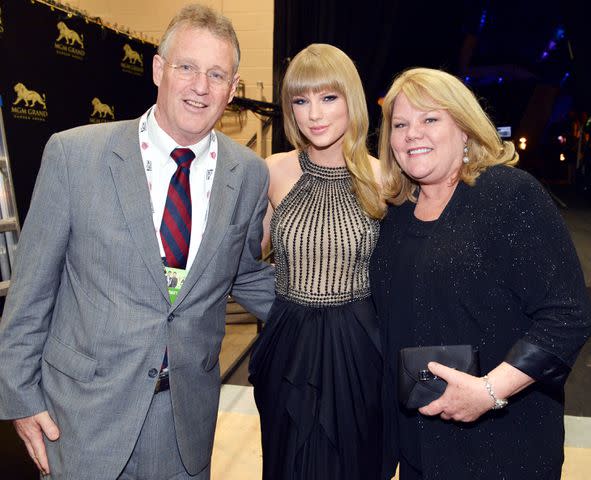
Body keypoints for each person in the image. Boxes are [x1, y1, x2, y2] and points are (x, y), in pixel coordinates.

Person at [0, 4, 275, 479]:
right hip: (82, 419)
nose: (200, 86)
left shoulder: (248, 174)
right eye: (186, 67)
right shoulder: (74, 156)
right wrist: (21, 399)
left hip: (184, 422)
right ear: (158, 69)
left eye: (216, 74)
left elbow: (245, 272)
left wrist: (336, 312)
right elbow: (30, 293)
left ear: (232, 90)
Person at [370, 67, 591, 480]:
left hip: (502, 445)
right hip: (417, 446)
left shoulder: (509, 195)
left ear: (465, 129)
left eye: (430, 119)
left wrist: (489, 392)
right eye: (400, 124)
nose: (412, 133)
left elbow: (567, 315)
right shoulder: (396, 217)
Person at [248, 43, 385, 479]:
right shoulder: (273, 170)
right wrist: (277, 306)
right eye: (301, 100)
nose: (314, 113)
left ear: (352, 100)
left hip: (358, 349)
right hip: (288, 346)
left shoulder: (385, 178)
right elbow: (239, 260)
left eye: (329, 97)